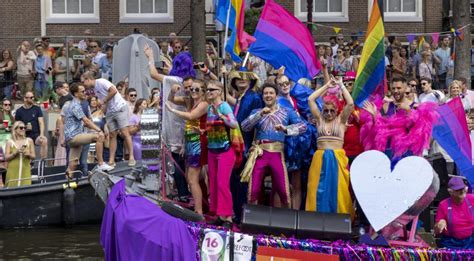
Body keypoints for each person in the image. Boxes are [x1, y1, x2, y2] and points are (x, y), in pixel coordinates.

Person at [241, 83, 306, 209]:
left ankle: (287, 224)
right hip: (259, 154)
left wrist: (286, 129)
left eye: (271, 93)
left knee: (284, 192)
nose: (268, 95)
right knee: (252, 191)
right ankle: (252, 222)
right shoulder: (257, 112)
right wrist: (259, 114)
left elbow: (303, 127)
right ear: (262, 96)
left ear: (276, 95)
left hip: (277, 154)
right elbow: (244, 126)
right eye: (265, 93)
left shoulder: (286, 112)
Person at [305, 77, 355, 218]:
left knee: (339, 190)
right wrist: (327, 86)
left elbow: (350, 103)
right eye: (326, 110)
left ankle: (341, 219)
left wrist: (341, 85)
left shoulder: (340, 120)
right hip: (320, 158)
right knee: (316, 189)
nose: (328, 113)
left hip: (337, 158)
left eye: (332, 111)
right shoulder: (319, 119)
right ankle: (315, 218)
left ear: (337, 110)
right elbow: (310, 99)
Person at [166, 79, 208, 215]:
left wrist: (172, 110)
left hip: (198, 142)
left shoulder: (204, 104)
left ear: (203, 91)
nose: (193, 91)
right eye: (191, 89)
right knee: (192, 179)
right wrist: (172, 91)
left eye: (196, 89)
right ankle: (200, 207)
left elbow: (191, 116)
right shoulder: (190, 101)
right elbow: (171, 99)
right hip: (189, 141)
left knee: (193, 178)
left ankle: (199, 211)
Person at [82, 72, 136, 167]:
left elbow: (114, 90)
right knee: (112, 135)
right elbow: (105, 100)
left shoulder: (101, 82)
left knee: (125, 132)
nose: (83, 85)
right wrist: (103, 109)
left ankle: (131, 157)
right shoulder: (94, 89)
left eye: (84, 82)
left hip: (120, 107)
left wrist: (103, 101)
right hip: (110, 111)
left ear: (88, 79)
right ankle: (111, 159)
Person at [205, 80, 239, 228]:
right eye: (207, 90)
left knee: (222, 184)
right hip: (212, 150)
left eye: (211, 89)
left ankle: (228, 217)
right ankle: (219, 214)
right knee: (213, 183)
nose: (208, 92)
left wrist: (223, 117)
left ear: (219, 91)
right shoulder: (210, 108)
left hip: (225, 151)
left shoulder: (223, 106)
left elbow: (234, 124)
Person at [63, 83, 113, 178]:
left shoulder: (77, 104)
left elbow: (85, 123)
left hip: (74, 137)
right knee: (99, 136)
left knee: (73, 163)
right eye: (82, 91)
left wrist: (91, 127)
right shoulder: (75, 105)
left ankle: (67, 184)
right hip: (74, 137)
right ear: (76, 94)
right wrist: (98, 130)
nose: (85, 93)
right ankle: (101, 164)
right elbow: (85, 120)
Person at [434, 176, 474, 249]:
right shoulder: (443, 205)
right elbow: (436, 231)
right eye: (458, 189)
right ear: (451, 192)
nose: (461, 191)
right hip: (451, 243)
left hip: (471, 242)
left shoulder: (472, 199)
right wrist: (440, 224)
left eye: (462, 188)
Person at [14, 91, 48, 160]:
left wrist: (41, 134)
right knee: (26, 149)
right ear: (25, 99)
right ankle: (30, 164)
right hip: (24, 136)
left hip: (36, 135)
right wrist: (25, 128)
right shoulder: (19, 111)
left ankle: (43, 162)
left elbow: (41, 122)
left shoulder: (37, 109)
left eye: (33, 97)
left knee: (44, 140)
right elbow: (16, 127)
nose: (33, 99)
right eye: (31, 97)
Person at [5, 121, 35, 187]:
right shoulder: (10, 142)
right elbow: (6, 157)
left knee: (25, 191)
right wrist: (15, 153)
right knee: (11, 192)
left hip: (25, 171)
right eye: (21, 128)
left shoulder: (29, 141)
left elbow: (33, 156)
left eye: (25, 127)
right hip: (13, 171)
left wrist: (28, 154)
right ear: (15, 130)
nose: (23, 129)